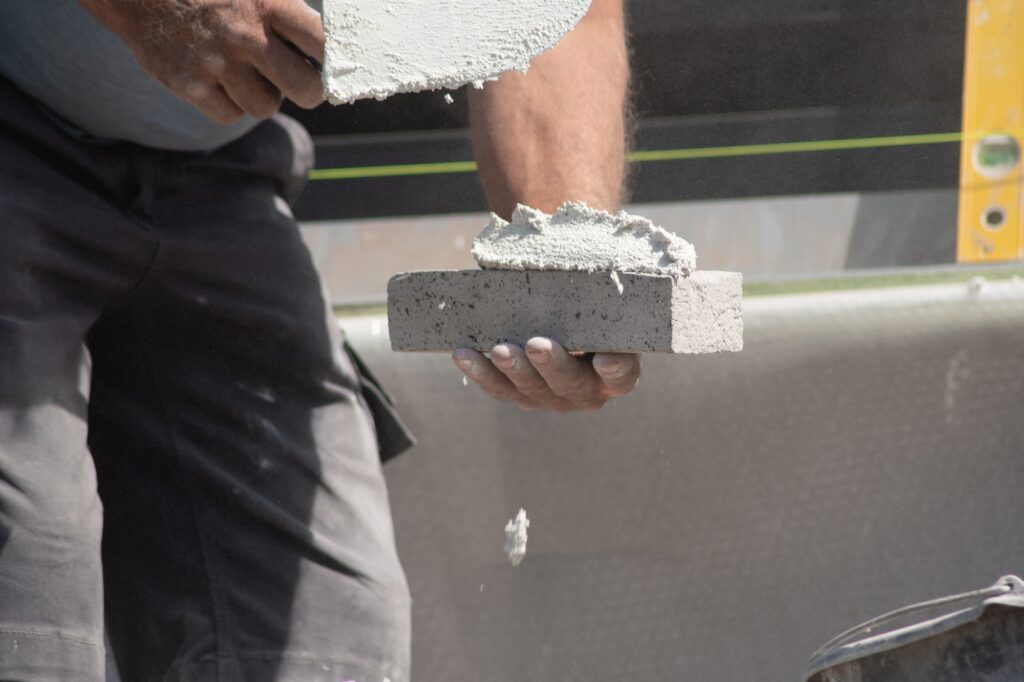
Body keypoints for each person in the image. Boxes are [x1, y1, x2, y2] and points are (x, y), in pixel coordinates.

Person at [0, 0, 638, 679]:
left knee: (326, 637)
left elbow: (555, 13)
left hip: (216, 162)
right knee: (29, 603)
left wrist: (561, 263)